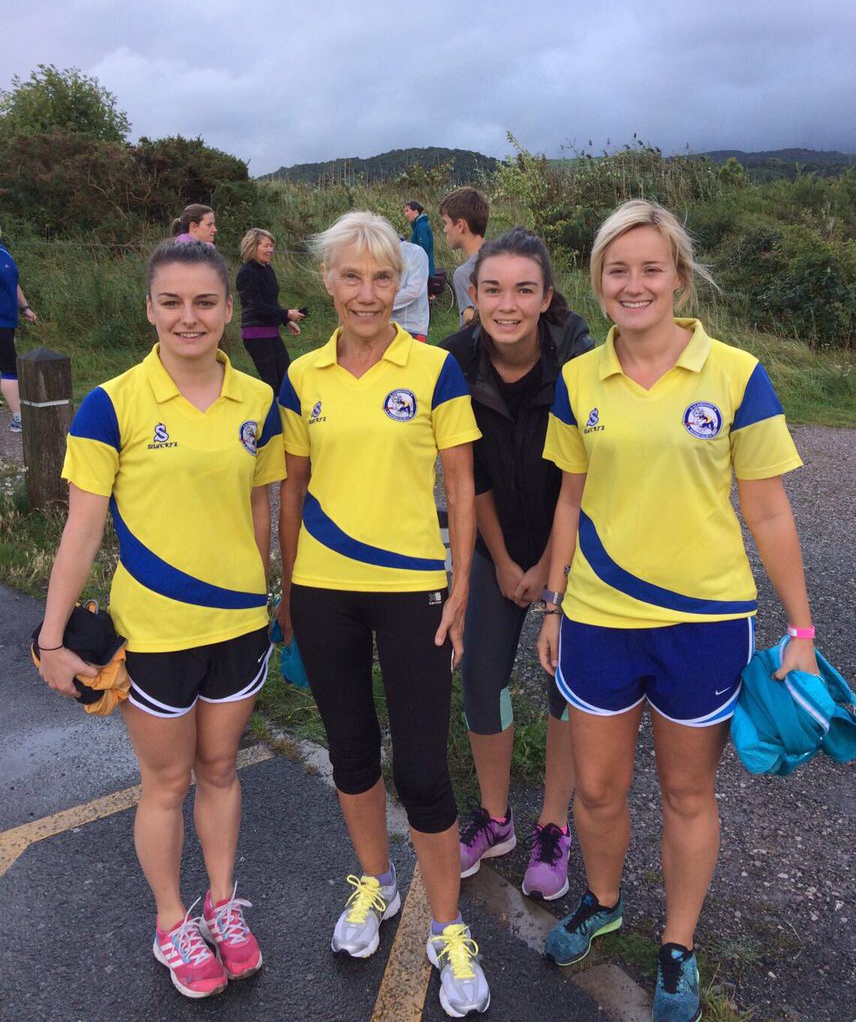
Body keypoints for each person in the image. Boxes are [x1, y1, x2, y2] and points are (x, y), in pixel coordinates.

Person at [537, 200, 818, 1022]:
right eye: (616, 270)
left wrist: (801, 631)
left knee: (688, 793)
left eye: (650, 268)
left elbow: (767, 512)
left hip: (703, 624)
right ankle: (602, 899)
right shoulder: (579, 377)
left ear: (679, 277)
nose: (634, 284)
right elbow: (568, 501)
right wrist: (552, 604)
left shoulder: (736, 373)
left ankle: (678, 946)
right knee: (596, 789)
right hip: (596, 615)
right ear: (598, 282)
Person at [36, 239, 285, 1000]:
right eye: (171, 302)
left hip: (240, 630)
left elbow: (259, 503)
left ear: (228, 309)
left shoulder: (257, 401)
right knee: (168, 782)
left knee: (219, 770)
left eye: (205, 302)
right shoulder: (112, 404)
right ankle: (173, 920)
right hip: (155, 638)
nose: (189, 317)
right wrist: (49, 639)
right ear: (149, 308)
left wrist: (270, 589)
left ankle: (220, 905)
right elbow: (82, 530)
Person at [278, 211, 491, 1018]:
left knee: (427, 773)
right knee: (351, 752)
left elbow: (462, 485)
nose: (367, 293)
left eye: (381, 278)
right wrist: (288, 584)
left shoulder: (435, 368)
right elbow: (292, 487)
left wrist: (461, 582)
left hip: (413, 592)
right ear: (328, 283)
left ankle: (448, 925)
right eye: (350, 277)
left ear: (402, 286)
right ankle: (375, 882)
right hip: (326, 590)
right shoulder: (301, 377)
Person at [441, 228, 593, 901]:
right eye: (492, 289)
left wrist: (550, 579)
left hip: (573, 543)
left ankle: (553, 827)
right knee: (482, 676)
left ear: (546, 297)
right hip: (491, 540)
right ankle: (497, 817)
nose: (507, 304)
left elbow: (579, 481)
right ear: (472, 295)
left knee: (567, 686)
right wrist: (503, 561)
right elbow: (464, 477)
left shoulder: (581, 362)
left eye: (523, 289)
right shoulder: (453, 364)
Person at [235, 227, 305, 393]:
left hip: (272, 332)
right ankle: (269, 416)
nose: (270, 250)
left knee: (286, 379)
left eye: (271, 246)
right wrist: (287, 313)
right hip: (255, 335)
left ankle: (286, 415)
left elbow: (271, 302)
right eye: (266, 246)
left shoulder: (268, 270)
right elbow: (257, 306)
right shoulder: (247, 273)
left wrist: (286, 321)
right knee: (271, 384)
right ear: (253, 247)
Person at [0, 227, 38, 433]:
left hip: (9, 320)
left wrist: (25, 308)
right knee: (10, 368)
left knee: (8, 367)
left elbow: (13, 284)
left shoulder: (3, 251)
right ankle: (19, 418)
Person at [440, 188, 489, 326]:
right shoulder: (503, 258)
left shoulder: (463, 274)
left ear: (460, 225)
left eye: (446, 223)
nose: (444, 229)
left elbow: (471, 322)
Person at [391, 236, 430, 341]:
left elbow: (413, 291)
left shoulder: (415, 253)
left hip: (412, 328)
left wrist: (382, 303)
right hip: (386, 328)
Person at [404, 200, 434, 276]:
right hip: (422, 270)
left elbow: (423, 249)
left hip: (424, 271)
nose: (405, 214)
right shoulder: (417, 226)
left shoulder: (421, 226)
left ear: (415, 211)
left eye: (407, 211)